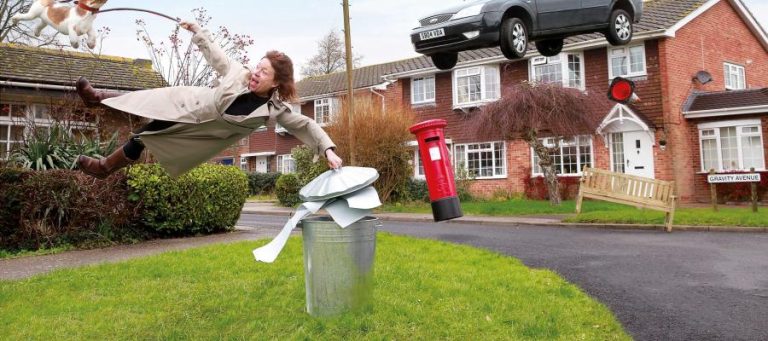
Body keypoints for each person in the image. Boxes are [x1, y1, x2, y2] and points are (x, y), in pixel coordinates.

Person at [76, 20, 343, 179]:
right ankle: (96, 97)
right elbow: (217, 56)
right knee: (144, 99)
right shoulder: (239, 73)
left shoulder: (272, 110)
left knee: (143, 136)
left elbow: (306, 125)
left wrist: (328, 150)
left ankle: (103, 168)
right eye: (257, 66)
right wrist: (199, 31)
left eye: (263, 72)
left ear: (275, 82)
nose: (256, 73)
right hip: (187, 102)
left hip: (195, 131)